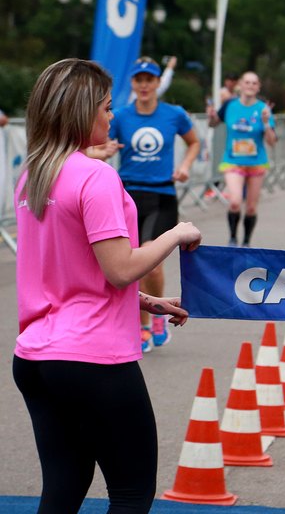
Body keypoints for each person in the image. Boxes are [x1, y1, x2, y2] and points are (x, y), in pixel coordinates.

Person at [14, 58, 201, 512]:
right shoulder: (95, 176)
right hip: (91, 356)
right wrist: (176, 234)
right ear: (80, 113)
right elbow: (119, 267)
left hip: (37, 356)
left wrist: (143, 301)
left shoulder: (33, 175)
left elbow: (65, 271)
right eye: (105, 107)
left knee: (64, 486)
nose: (111, 115)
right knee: (132, 492)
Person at [89, 57, 200, 353]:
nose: (144, 85)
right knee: (132, 265)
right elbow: (95, 148)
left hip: (162, 195)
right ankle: (141, 325)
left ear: (157, 83)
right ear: (133, 83)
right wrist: (104, 151)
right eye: (139, 80)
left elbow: (194, 142)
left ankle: (157, 318)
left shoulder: (173, 114)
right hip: (127, 195)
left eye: (149, 79)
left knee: (150, 265)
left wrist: (186, 165)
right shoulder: (121, 116)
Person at [207, 71, 277, 246]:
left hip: (256, 163)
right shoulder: (230, 105)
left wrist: (267, 123)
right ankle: (232, 238)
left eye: (254, 83)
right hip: (233, 161)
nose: (250, 86)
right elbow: (213, 123)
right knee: (235, 201)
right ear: (240, 85)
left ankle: (246, 241)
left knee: (251, 207)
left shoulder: (263, 109)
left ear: (258, 87)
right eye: (247, 82)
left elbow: (272, 141)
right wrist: (211, 116)